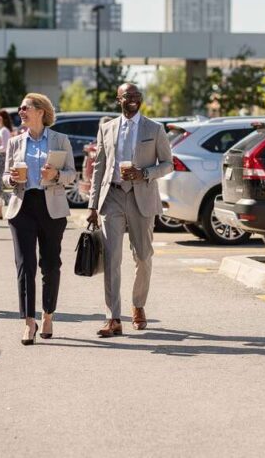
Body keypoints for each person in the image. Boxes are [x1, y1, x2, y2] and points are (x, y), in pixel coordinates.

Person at [87, 83, 173, 338]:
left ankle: (138, 305)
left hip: (141, 197)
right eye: (128, 96)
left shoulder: (154, 129)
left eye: (137, 96)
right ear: (119, 100)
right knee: (112, 258)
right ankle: (113, 318)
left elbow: (168, 164)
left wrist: (145, 173)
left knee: (143, 257)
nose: (134, 100)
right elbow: (99, 169)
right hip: (112, 195)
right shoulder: (106, 128)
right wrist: (92, 205)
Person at [3, 94, 76, 345]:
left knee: (51, 264)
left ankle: (47, 315)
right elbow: (4, 177)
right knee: (25, 266)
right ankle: (28, 322)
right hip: (22, 207)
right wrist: (11, 179)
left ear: (41, 111)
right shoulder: (15, 142)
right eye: (21, 108)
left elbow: (71, 175)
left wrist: (56, 174)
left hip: (51, 208)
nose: (21, 111)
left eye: (25, 107)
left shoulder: (60, 140)